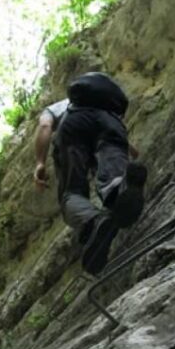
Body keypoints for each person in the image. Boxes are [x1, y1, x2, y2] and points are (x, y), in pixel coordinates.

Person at [33, 72, 147, 275]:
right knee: (112, 166)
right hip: (112, 123)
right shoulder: (106, 107)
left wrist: (40, 163)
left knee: (71, 193)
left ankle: (93, 221)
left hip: (74, 126)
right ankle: (121, 188)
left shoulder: (61, 106)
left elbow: (45, 126)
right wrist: (128, 149)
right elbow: (108, 132)